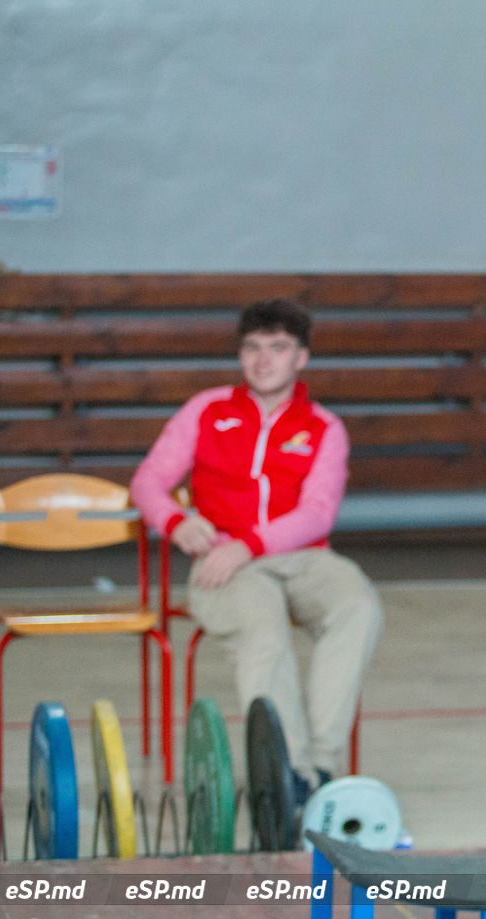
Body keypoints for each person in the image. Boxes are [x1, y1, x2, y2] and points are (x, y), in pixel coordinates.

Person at [132, 299, 383, 798]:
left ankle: (321, 771)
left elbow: (318, 513)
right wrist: (176, 520)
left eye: (278, 348)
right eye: (252, 348)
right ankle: (288, 776)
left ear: (301, 359)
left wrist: (249, 544)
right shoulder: (207, 410)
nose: (264, 360)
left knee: (359, 605)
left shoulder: (323, 427)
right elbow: (148, 483)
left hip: (303, 558)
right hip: (226, 566)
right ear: (240, 356)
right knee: (263, 630)